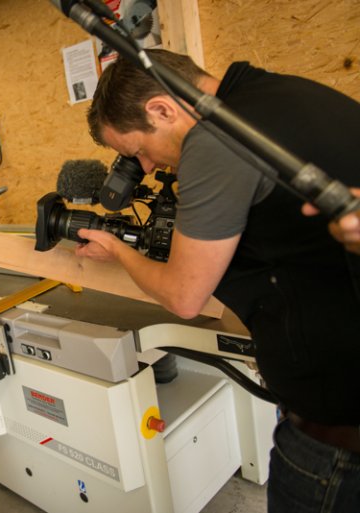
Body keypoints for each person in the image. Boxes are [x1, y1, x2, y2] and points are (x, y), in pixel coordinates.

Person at [79, 49, 360, 512]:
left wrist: (118, 251)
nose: (145, 168)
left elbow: (184, 295)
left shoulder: (216, 140)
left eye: (137, 152)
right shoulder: (277, 94)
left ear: (162, 109)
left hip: (336, 434)